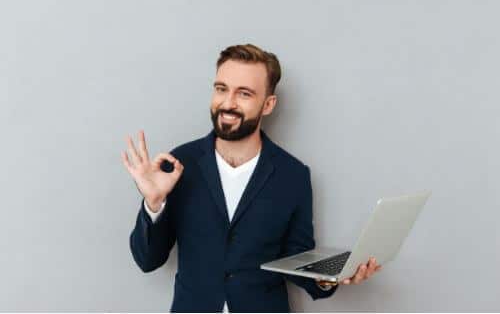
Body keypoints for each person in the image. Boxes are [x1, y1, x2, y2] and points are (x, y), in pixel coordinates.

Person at [122, 44, 381, 312]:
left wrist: (330, 277)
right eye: (221, 89)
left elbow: (295, 258)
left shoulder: (292, 175)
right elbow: (147, 260)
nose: (228, 103)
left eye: (244, 93)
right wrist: (153, 203)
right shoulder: (179, 164)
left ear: (268, 104)